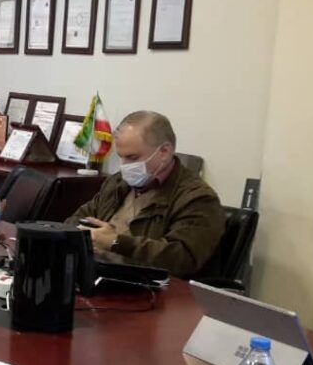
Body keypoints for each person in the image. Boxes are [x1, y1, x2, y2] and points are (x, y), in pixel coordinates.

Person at [67, 111, 225, 278]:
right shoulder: (117, 182)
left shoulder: (198, 199)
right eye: (121, 157)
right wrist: (84, 237)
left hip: (149, 287)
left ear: (164, 152)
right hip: (98, 275)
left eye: (132, 158)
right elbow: (77, 219)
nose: (124, 166)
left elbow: (182, 258)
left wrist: (115, 242)